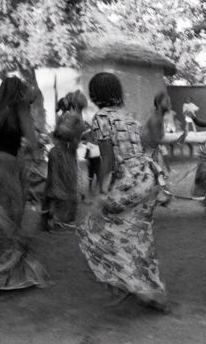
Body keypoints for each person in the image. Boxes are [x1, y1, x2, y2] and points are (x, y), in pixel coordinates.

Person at [77, 73, 171, 313]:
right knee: (138, 236)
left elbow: (107, 161)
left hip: (127, 181)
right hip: (146, 178)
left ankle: (124, 284)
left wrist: (101, 193)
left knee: (90, 231)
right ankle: (151, 290)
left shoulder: (100, 117)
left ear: (95, 94)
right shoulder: (127, 115)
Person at [0, 76, 51, 302]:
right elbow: (32, 140)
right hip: (4, 168)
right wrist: (35, 153)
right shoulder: (19, 107)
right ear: (19, 93)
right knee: (8, 225)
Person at [42, 90, 86, 230]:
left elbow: (60, 132)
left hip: (66, 153)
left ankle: (54, 218)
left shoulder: (75, 116)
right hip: (63, 154)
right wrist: (73, 138)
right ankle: (56, 220)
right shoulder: (74, 117)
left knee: (61, 186)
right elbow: (61, 132)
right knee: (60, 187)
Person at [141, 91, 174, 174]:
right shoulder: (154, 119)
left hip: (153, 154)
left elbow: (160, 143)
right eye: (166, 101)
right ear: (159, 104)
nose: (169, 104)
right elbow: (155, 140)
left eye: (169, 101)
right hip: (148, 157)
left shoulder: (159, 118)